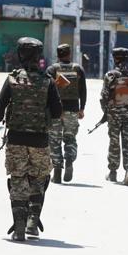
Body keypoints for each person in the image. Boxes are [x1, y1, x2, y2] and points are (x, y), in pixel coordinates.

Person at [0, 37, 62, 241]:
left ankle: (19, 227)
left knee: (18, 179)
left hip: (16, 139)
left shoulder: (12, 79)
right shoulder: (48, 81)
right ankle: (32, 224)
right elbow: (57, 112)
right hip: (40, 140)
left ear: (20, 54)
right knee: (39, 179)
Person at [46, 44, 87, 183]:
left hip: (56, 111)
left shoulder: (52, 69)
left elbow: (47, 90)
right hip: (73, 110)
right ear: (69, 54)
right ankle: (69, 160)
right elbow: (83, 91)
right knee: (70, 138)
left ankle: (57, 173)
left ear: (58, 55)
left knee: (54, 141)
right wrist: (82, 108)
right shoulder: (78, 68)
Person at [100, 47, 128, 186]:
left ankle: (113, 172)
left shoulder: (110, 75)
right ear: (127, 58)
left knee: (114, 142)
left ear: (115, 58)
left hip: (114, 114)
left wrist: (106, 111)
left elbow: (104, 96)